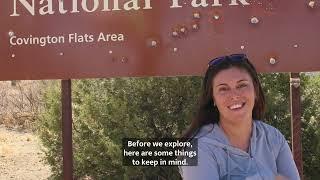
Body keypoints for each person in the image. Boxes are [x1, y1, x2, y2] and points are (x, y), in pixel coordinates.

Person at [179, 54, 300, 180]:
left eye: (241, 85)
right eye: (223, 89)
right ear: (213, 98)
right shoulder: (198, 148)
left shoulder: (274, 138)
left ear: (256, 91)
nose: (234, 95)